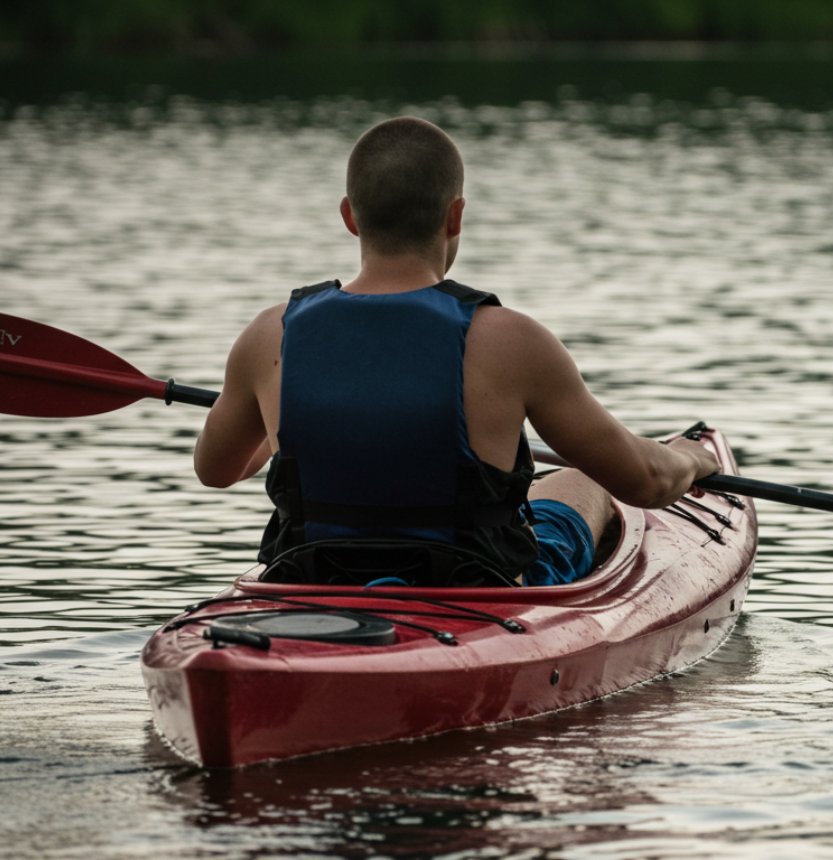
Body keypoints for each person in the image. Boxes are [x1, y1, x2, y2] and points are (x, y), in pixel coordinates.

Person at [193, 116, 718, 586]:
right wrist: (690, 457)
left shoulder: (270, 337)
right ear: (455, 216)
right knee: (582, 477)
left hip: (311, 578)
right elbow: (646, 483)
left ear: (350, 216)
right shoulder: (511, 341)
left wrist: (279, 421)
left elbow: (216, 469)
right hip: (473, 590)